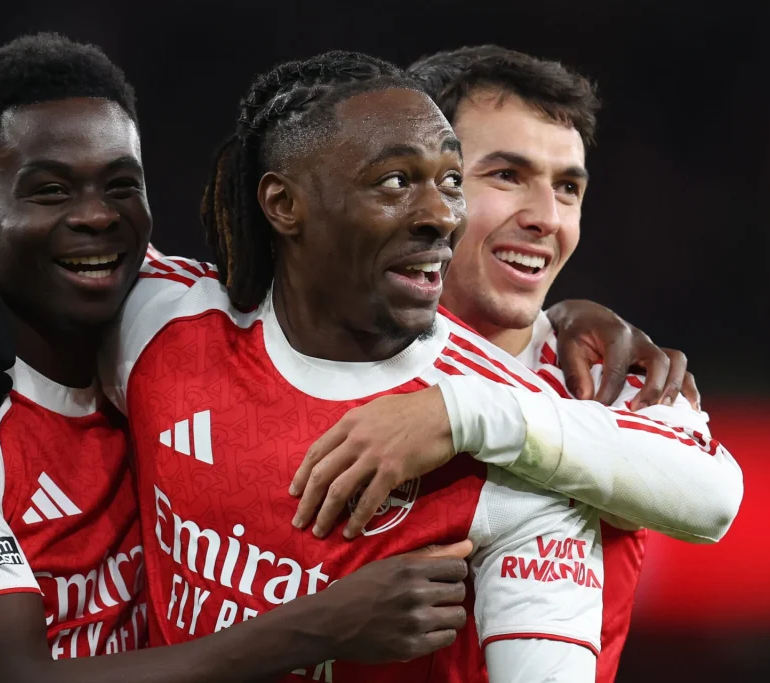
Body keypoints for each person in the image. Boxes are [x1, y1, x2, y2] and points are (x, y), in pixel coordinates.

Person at [0, 34, 479, 683]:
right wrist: (319, 626)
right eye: (51, 191)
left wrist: (561, 326)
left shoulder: (162, 318)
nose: (96, 216)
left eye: (119, 186)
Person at [286, 45, 740, 683]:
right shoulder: (316, 350)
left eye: (568, 188)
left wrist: (462, 413)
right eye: (505, 175)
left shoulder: (611, 377)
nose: (546, 219)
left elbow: (712, 497)